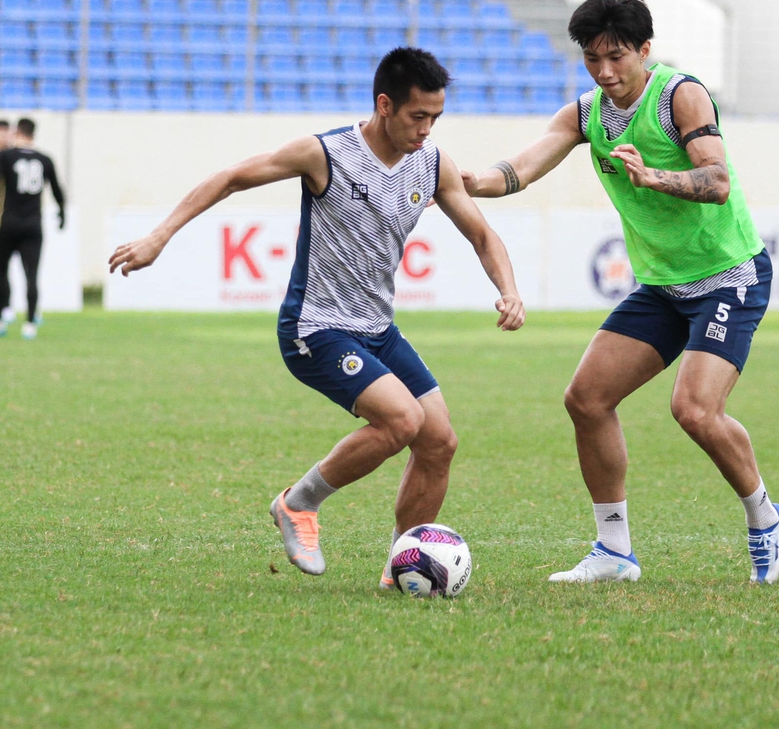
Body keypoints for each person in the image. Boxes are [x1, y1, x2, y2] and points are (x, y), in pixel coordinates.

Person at [109, 47, 525, 584]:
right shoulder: (324, 153)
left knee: (439, 441)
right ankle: (297, 504)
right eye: (417, 116)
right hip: (316, 327)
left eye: (435, 118)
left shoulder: (432, 162)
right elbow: (232, 176)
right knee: (401, 420)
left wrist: (508, 290)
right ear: (384, 106)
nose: (427, 129)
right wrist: (157, 237)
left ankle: (402, 565)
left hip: (378, 329)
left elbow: (482, 234)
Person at [462, 0, 779, 585]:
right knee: (585, 399)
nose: (606, 72)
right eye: (592, 59)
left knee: (693, 409)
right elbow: (523, 168)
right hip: (664, 285)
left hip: (729, 276)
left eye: (616, 57)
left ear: (644, 50)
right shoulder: (586, 113)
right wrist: (472, 181)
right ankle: (614, 551)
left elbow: (716, 181)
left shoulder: (679, 95)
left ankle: (766, 518)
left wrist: (654, 176)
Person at [0, 118, 66, 340]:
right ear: (33, 135)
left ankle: (4, 312)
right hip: (33, 224)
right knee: (32, 275)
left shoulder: (6, 157)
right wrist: (62, 213)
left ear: (17, 132)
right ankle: (29, 323)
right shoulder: (45, 160)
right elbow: (58, 190)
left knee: (2, 270)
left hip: (8, 223)